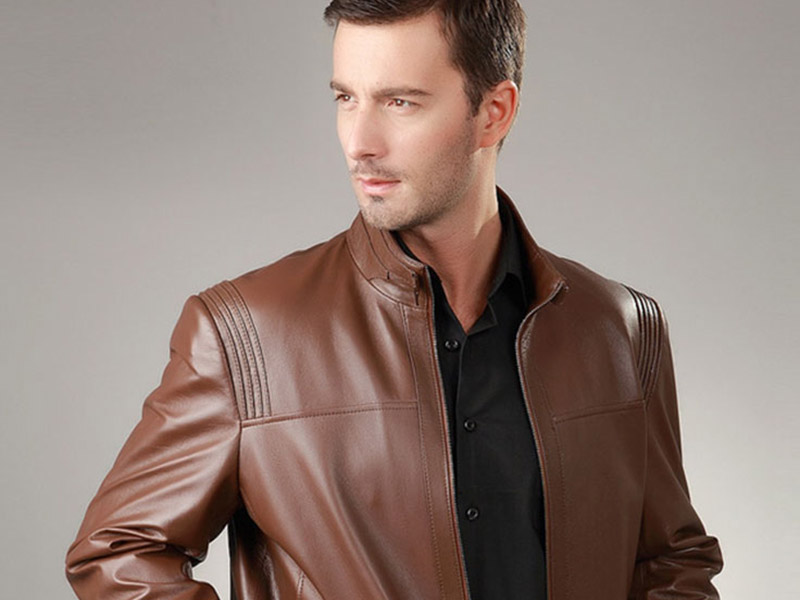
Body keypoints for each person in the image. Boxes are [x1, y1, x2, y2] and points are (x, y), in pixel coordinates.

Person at [65, 1, 723, 598]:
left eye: (400, 102)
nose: (360, 143)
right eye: (346, 98)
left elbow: (671, 562)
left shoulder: (622, 328)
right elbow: (117, 554)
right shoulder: (244, 334)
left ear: (494, 112)